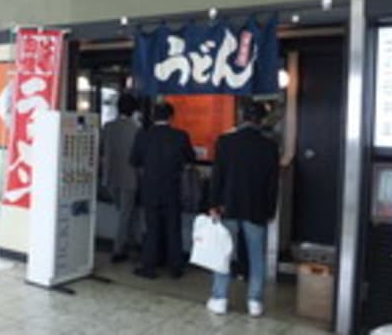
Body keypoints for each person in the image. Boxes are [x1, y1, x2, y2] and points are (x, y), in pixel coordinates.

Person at [207, 102, 280, 317]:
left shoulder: (226, 142)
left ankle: (219, 298)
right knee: (257, 256)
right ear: (261, 121)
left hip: (228, 206)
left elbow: (217, 176)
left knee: (224, 254)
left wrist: (213, 204)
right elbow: (272, 183)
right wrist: (270, 210)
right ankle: (254, 302)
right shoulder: (269, 146)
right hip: (256, 208)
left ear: (241, 117)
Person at [130, 102, 195, 279]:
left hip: (150, 188)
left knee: (152, 228)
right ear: (171, 117)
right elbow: (190, 159)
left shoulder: (143, 135)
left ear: (153, 116)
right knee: (174, 228)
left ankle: (149, 266)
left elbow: (134, 160)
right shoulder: (181, 136)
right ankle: (175, 267)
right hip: (172, 188)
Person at [101, 94, 140, 264]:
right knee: (125, 214)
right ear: (133, 111)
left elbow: (102, 150)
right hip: (130, 178)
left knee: (123, 213)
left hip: (110, 177)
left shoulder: (108, 127)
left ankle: (130, 242)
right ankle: (118, 250)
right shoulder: (137, 129)